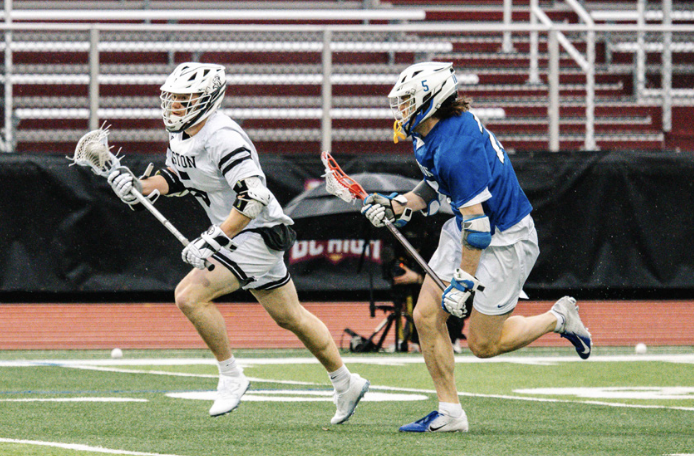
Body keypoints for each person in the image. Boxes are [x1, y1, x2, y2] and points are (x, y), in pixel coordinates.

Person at [107, 62, 369, 423]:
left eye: (185, 100)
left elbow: (253, 196)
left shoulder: (223, 136)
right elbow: (177, 179)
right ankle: (346, 382)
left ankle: (231, 375)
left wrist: (215, 238)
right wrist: (139, 187)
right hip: (241, 231)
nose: (175, 107)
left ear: (208, 99)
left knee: (189, 296)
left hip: (257, 231)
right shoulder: (183, 133)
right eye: (173, 99)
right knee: (290, 317)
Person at [361, 61, 592, 433]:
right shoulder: (430, 132)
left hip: (505, 239)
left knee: (484, 344)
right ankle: (449, 411)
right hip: (468, 226)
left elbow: (479, 226)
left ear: (430, 100)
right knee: (424, 315)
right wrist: (399, 204)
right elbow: (438, 187)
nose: (400, 108)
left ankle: (559, 318)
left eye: (406, 100)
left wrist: (464, 282)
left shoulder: (455, 147)